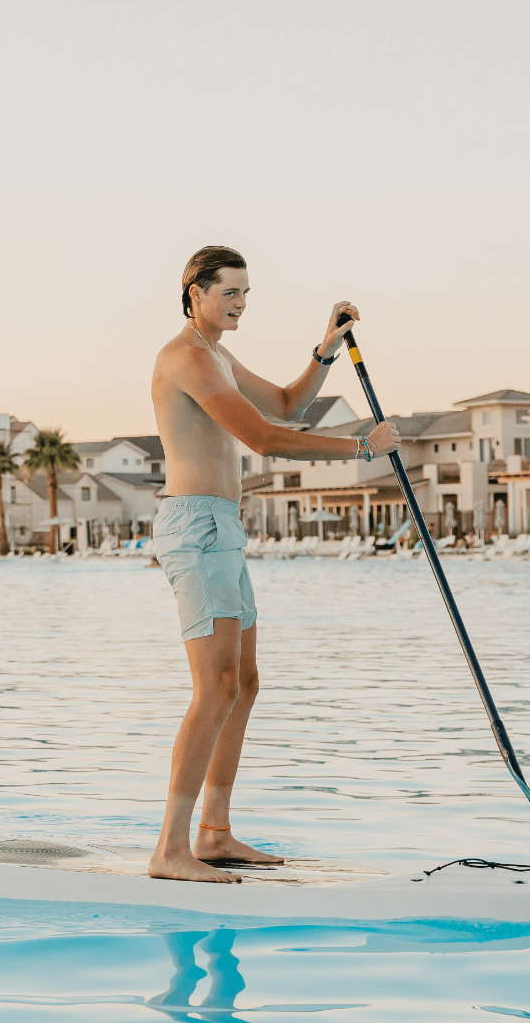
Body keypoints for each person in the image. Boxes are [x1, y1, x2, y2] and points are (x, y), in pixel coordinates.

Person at [148, 246, 401, 883]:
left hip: (222, 527)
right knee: (214, 687)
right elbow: (262, 438)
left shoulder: (219, 356)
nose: (239, 304)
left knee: (244, 683)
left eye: (245, 294)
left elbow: (287, 405)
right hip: (196, 527)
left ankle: (214, 833)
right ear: (195, 292)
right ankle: (170, 850)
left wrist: (326, 350)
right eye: (229, 292)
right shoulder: (186, 357)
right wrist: (359, 447)